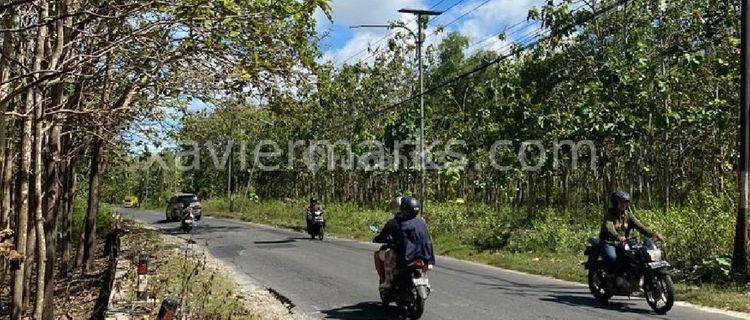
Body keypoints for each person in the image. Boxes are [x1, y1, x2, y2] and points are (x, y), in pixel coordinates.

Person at [373, 196, 435, 289]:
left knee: (385, 255)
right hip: (424, 256)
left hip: (406, 256)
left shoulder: (397, 222)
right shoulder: (421, 222)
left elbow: (385, 237)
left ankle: (388, 281)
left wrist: (378, 239)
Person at [599, 191, 664, 275]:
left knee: (636, 258)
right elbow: (609, 227)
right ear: (615, 202)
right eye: (622, 202)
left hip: (624, 243)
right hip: (609, 242)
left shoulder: (627, 215)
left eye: (626, 202)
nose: (624, 204)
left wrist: (654, 234)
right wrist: (618, 236)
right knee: (612, 258)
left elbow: (640, 226)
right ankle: (610, 277)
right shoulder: (610, 215)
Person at [373, 197, 401, 290]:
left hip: (399, 251)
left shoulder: (393, 222)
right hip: (416, 252)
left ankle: (386, 281)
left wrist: (376, 239)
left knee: (380, 255)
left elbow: (382, 236)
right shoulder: (418, 222)